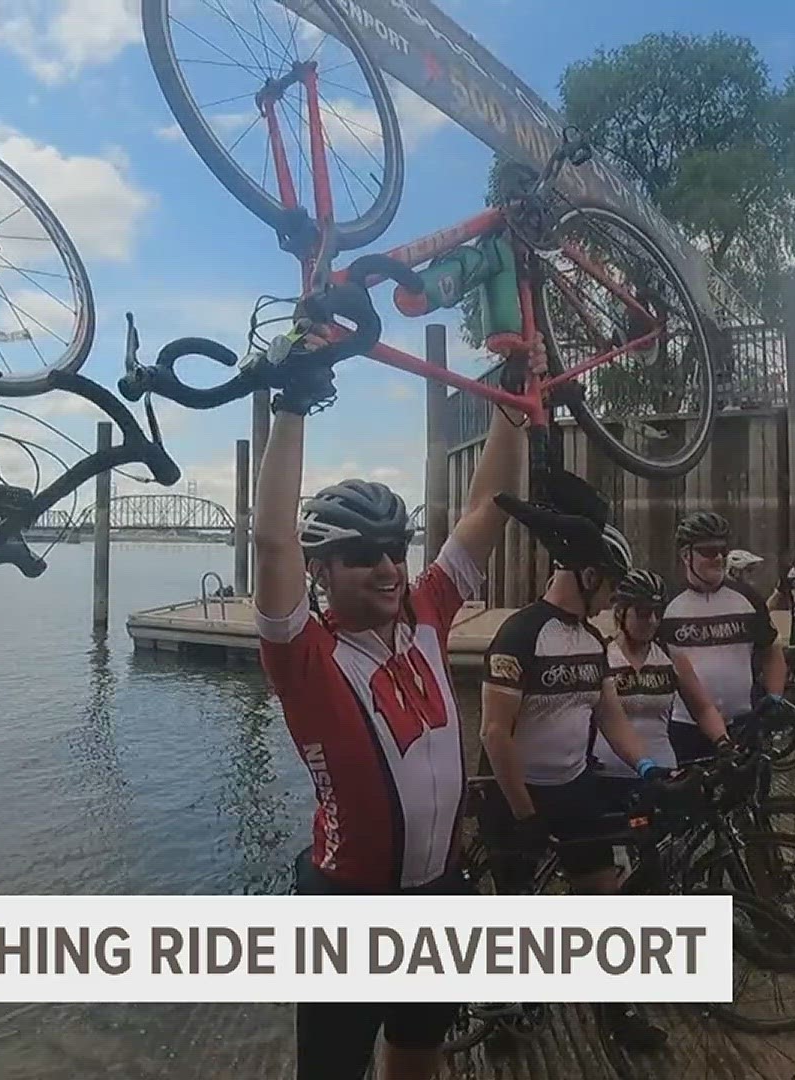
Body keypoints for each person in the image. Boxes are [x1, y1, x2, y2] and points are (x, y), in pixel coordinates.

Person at [252, 351, 525, 1080]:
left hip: (438, 888)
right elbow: (273, 539)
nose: (387, 567)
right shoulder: (305, 660)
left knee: (417, 1050)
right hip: (348, 907)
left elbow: (485, 511)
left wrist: (513, 398)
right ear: (322, 574)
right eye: (362, 555)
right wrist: (295, 398)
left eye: (395, 549)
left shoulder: (428, 610)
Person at [479, 528, 679, 1051]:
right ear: (588, 576)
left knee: (604, 904)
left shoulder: (592, 643)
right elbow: (494, 733)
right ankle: (507, 1013)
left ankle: (615, 1014)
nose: (613, 599)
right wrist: (525, 814)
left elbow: (611, 717)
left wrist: (649, 768)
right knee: (517, 915)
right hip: (515, 795)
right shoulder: (520, 634)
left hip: (574, 788)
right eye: (610, 586)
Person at [658, 511, 787, 762]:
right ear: (686, 555)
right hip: (685, 726)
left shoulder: (748, 598)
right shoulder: (666, 604)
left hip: (743, 723)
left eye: (722, 551)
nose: (718, 558)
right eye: (708, 551)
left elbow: (772, 648)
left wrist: (775, 696)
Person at [591, 569, 733, 787]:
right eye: (643, 613)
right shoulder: (601, 655)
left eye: (658, 612)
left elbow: (703, 708)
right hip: (608, 776)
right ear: (620, 612)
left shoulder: (670, 656)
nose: (653, 620)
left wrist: (723, 742)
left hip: (662, 773)